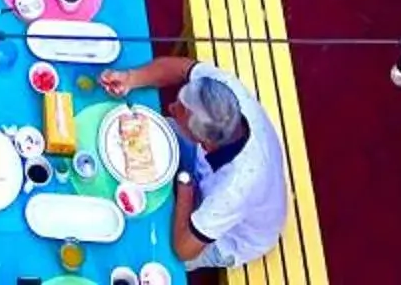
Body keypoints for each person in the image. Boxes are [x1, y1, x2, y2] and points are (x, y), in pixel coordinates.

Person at [100, 52, 289, 272]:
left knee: (157, 254)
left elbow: (184, 248)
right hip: (211, 170)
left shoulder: (234, 189)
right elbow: (182, 68)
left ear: (204, 142)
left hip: (233, 237)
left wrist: (185, 187)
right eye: (179, 102)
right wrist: (131, 78)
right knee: (143, 130)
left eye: (178, 111)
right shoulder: (223, 90)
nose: (170, 107)